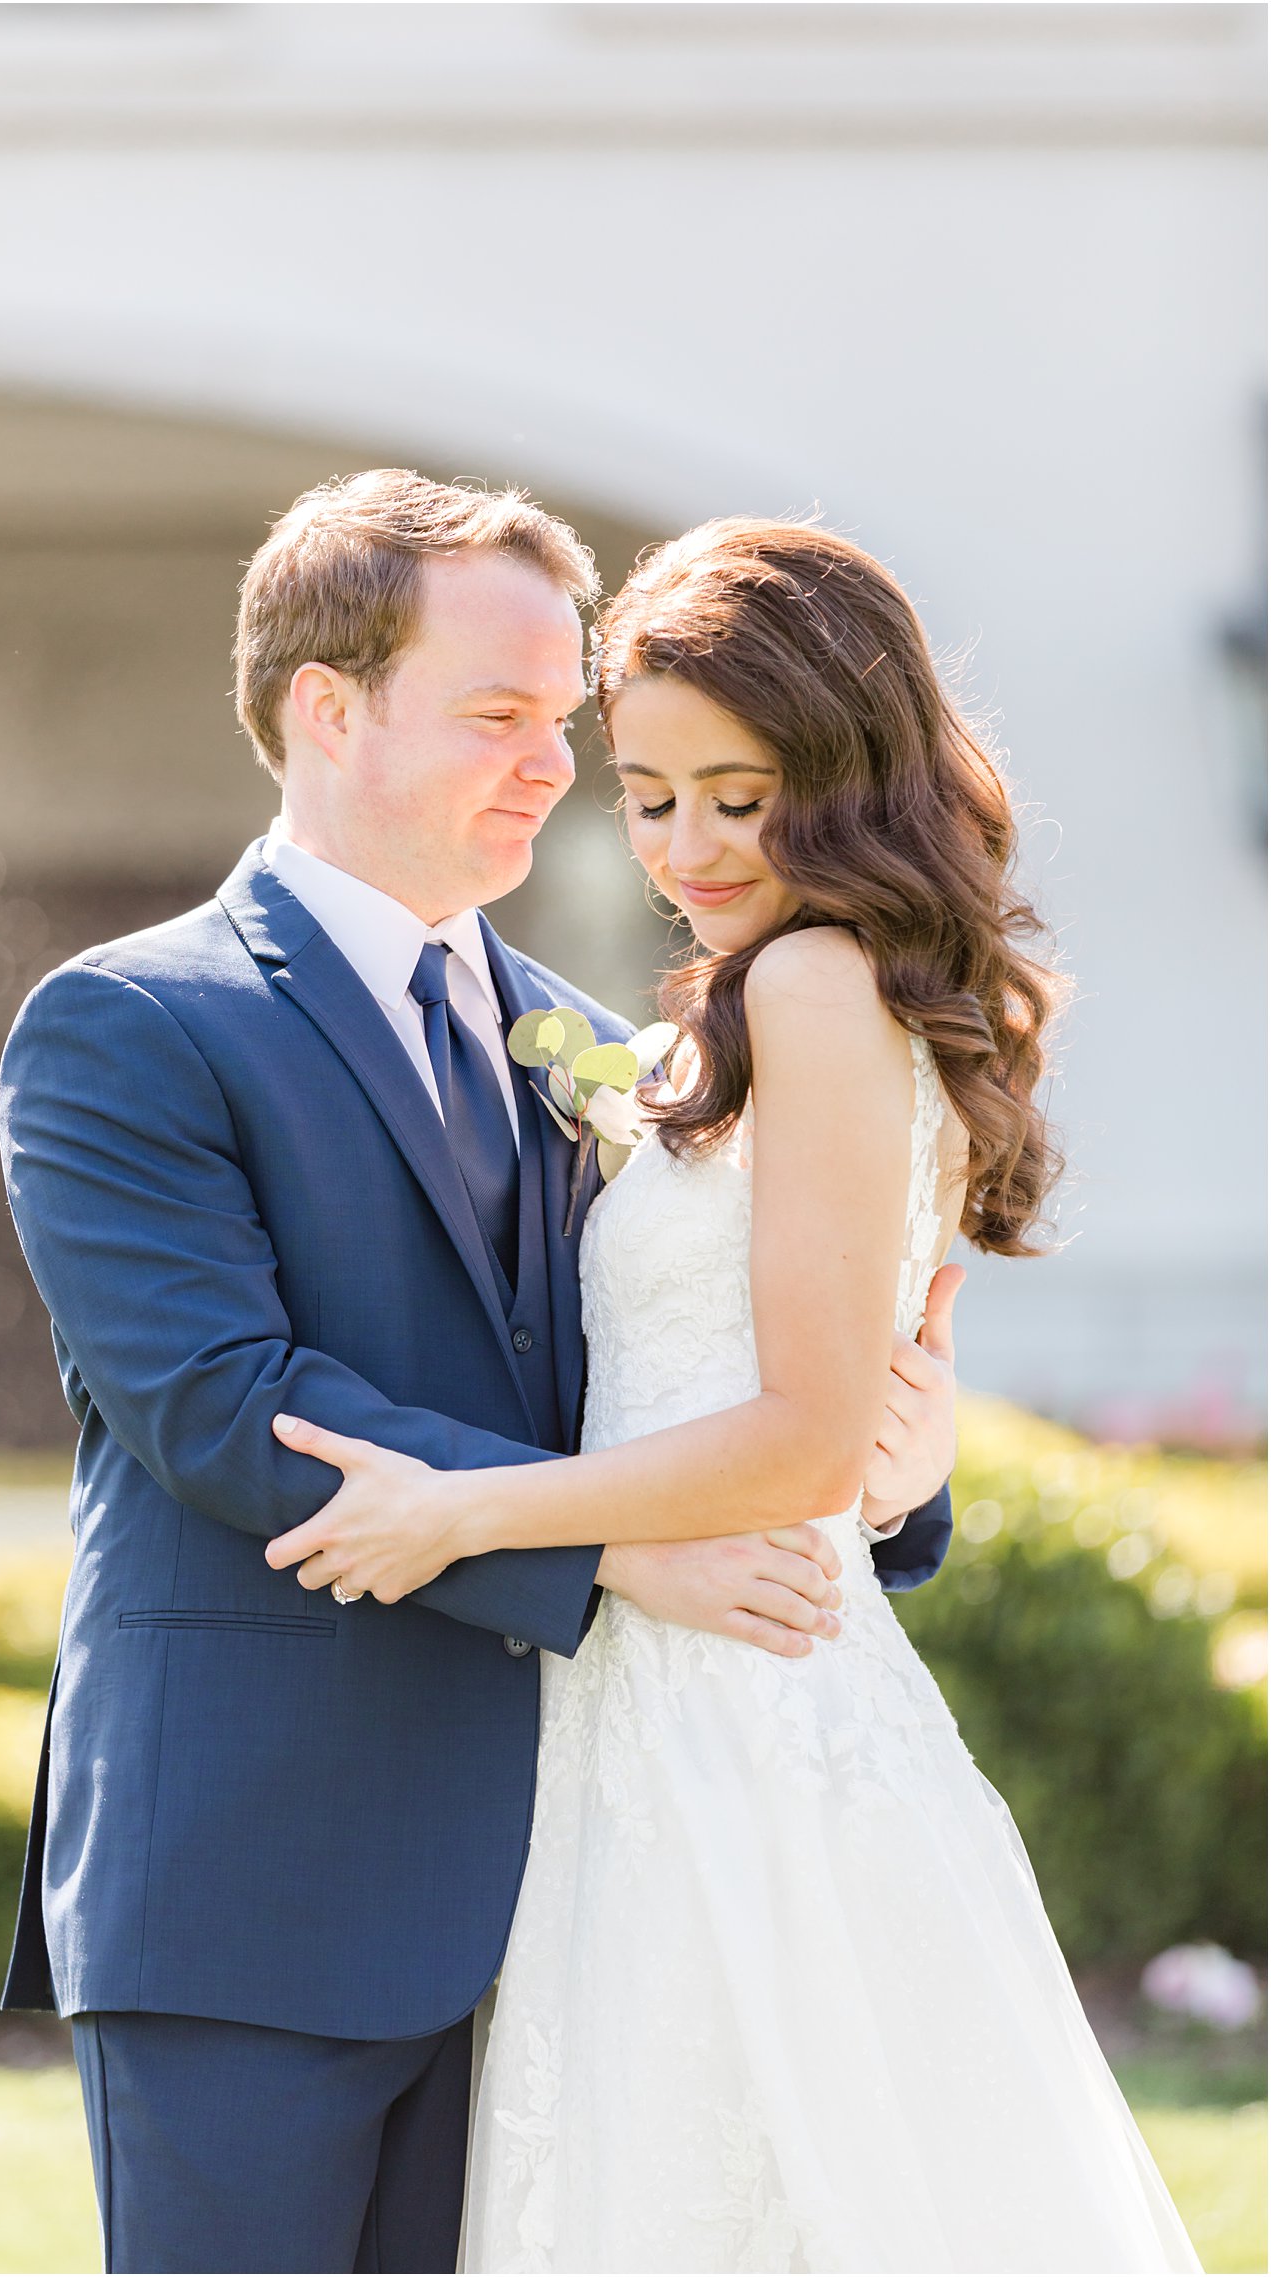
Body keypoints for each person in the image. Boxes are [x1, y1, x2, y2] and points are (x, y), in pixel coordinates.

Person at [0, 472, 959, 2276]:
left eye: (562, 721)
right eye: (498, 714)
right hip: (253, 1890)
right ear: (327, 706)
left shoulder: (609, 1055)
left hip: (570, 1899)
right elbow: (221, 1398)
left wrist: (897, 1462)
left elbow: (738, 1364)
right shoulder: (128, 1025)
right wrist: (600, 1553)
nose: (552, 764)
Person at [265, 520, 1201, 2274]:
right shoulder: (751, 1003)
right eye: (648, 792)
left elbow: (804, 1436)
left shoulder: (816, 981)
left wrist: (462, 1506)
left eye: (737, 795)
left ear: (843, 780)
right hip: (659, 1694)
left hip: (742, 1719)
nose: (685, 846)